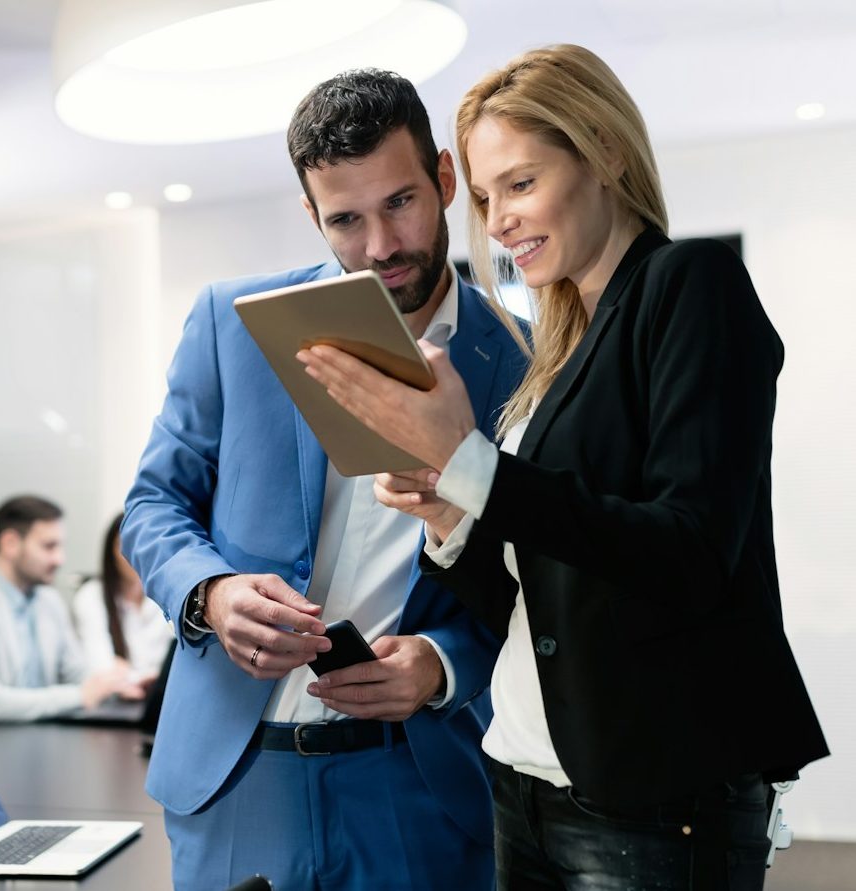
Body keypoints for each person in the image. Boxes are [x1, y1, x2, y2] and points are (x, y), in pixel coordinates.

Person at [299, 44, 828, 890]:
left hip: (652, 797)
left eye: (519, 183)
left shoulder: (689, 284)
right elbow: (535, 601)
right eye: (481, 196)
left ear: (605, 153)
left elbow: (688, 554)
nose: (497, 220)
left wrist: (467, 462)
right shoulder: (557, 344)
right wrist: (449, 516)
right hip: (523, 777)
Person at [122, 69, 528, 890]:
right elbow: (152, 505)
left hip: (419, 787)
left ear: (445, 178)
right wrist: (209, 593)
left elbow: (546, 580)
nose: (380, 246)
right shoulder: (229, 323)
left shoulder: (527, 358)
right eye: (345, 219)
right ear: (311, 215)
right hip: (237, 782)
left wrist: (443, 664)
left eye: (400, 203)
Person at [0, 495, 141, 724]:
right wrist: (79, 696)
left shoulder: (48, 601)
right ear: (10, 543)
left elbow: (77, 674)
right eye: (49, 546)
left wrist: (118, 684)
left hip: (40, 740)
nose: (60, 559)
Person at [72, 513, 172, 680]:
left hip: (159, 696)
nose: (134, 555)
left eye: (143, 544)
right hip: (115, 700)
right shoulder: (91, 596)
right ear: (110, 552)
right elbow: (101, 668)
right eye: (125, 546)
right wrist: (144, 678)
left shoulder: (165, 593)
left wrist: (127, 673)